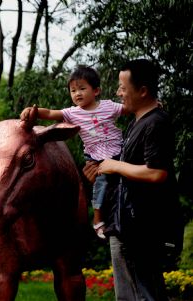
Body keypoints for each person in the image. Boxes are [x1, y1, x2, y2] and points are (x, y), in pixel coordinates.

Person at [84, 59, 181, 300]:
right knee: (140, 293)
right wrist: (101, 172)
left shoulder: (156, 123)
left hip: (139, 228)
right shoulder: (137, 122)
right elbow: (130, 174)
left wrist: (115, 165)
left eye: (122, 87)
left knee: (139, 294)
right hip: (127, 223)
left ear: (143, 91)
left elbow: (157, 173)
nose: (118, 93)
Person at [21, 66, 126, 239]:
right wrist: (33, 111)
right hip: (95, 156)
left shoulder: (109, 106)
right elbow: (49, 113)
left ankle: (123, 215)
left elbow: (129, 108)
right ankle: (98, 218)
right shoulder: (72, 113)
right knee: (101, 184)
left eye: (82, 88)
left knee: (123, 183)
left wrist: (152, 104)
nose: (77, 93)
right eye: (73, 90)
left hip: (118, 150)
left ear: (96, 90)